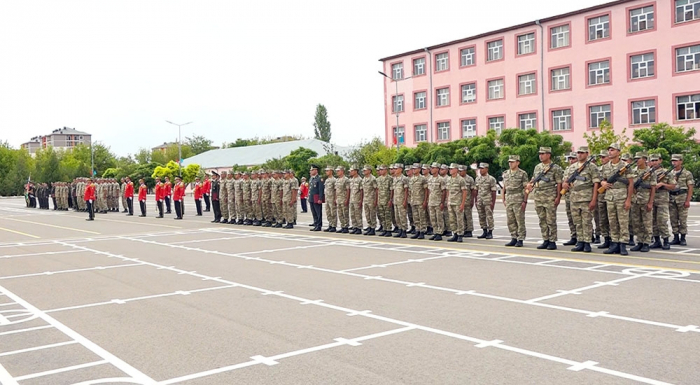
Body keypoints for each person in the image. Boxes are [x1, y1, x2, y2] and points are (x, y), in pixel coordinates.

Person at [563, 146, 599, 252]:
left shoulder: (592, 167)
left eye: (582, 153)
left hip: (586, 198)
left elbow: (596, 183)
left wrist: (594, 200)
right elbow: (566, 180)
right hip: (574, 198)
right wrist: (565, 184)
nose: (579, 155)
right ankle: (580, 242)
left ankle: (587, 242)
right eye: (578, 152)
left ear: (587, 154)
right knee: (577, 222)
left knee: (586, 222)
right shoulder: (572, 167)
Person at [600, 143, 634, 255]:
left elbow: (631, 184)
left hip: (622, 197)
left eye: (612, 150)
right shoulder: (605, 166)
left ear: (618, 152)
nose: (610, 152)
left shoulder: (625, 166)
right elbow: (602, 179)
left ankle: (623, 244)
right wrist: (603, 183)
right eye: (609, 150)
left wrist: (629, 199)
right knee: (612, 222)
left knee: (623, 222)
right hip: (610, 197)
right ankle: (614, 243)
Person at [527, 147, 563, 250]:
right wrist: (530, 184)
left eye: (543, 153)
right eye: (540, 153)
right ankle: (545, 239)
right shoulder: (537, 167)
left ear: (548, 155)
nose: (540, 155)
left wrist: (558, 197)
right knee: (542, 220)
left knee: (551, 220)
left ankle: (552, 241)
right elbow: (534, 179)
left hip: (550, 196)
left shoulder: (555, 168)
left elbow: (559, 183)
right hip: (538, 197)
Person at [629, 152, 656, 252]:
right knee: (636, 222)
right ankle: (639, 241)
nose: (637, 160)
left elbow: (653, 188)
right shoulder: (633, 171)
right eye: (635, 158)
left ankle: (646, 242)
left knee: (647, 222)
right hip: (635, 200)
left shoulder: (650, 172)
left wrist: (650, 202)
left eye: (639, 158)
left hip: (645, 199)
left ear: (645, 159)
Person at [502, 155, 529, 247]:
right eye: (509, 162)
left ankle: (520, 238)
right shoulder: (506, 173)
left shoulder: (522, 173)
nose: (510, 163)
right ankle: (513, 237)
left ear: (518, 162)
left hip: (518, 198)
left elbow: (526, 188)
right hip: (509, 198)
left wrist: (525, 201)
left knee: (519, 220)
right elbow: (504, 187)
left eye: (512, 162)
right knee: (510, 220)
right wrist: (503, 199)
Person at [649, 154, 675, 250]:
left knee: (662, 221)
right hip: (650, 198)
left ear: (660, 160)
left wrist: (662, 184)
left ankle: (666, 240)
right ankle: (656, 241)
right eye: (652, 160)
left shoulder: (666, 172)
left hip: (662, 198)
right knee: (652, 221)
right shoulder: (648, 172)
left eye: (656, 160)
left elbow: (673, 186)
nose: (654, 162)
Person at [669, 154, 694, 246]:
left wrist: (688, 200)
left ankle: (683, 238)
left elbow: (690, 187)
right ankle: (675, 237)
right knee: (673, 218)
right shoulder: (670, 173)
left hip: (682, 197)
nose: (674, 162)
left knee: (682, 219)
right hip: (672, 198)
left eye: (676, 161)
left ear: (681, 161)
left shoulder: (687, 173)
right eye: (673, 161)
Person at [446, 164, 468, 243]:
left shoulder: (460, 179)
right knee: (452, 219)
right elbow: (448, 191)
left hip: (458, 203)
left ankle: (460, 234)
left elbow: (464, 192)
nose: (450, 170)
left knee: (459, 219)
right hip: (450, 202)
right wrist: (448, 201)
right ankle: (454, 233)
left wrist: (462, 203)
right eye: (450, 169)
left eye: (452, 169)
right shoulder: (449, 179)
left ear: (456, 169)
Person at [475, 163, 497, 239]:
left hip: (488, 200)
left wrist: (493, 203)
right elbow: (476, 190)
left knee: (489, 216)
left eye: (482, 168)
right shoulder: (477, 179)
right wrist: (476, 200)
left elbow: (493, 192)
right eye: (480, 168)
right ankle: (484, 231)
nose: (480, 170)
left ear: (487, 169)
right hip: (480, 200)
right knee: (481, 216)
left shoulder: (491, 179)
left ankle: (490, 231)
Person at [562, 153, 578, 246]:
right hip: (568, 196)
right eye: (570, 159)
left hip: (577, 196)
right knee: (570, 217)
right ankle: (573, 236)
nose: (571, 160)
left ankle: (585, 236)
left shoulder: (580, 169)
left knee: (579, 218)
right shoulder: (567, 170)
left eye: (573, 158)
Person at [596, 151, 612, 249]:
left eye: (604, 157)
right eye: (601, 157)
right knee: (602, 219)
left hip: (611, 197)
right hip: (601, 197)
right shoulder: (598, 169)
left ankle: (613, 239)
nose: (602, 159)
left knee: (612, 219)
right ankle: (606, 238)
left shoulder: (612, 168)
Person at [409, 163, 428, 239]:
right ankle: (417, 230)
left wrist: (425, 201)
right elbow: (410, 191)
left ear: (419, 169)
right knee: (415, 217)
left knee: (422, 217)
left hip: (420, 200)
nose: (414, 170)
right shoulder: (412, 179)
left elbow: (426, 190)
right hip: (413, 201)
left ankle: (422, 232)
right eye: (413, 168)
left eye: (415, 168)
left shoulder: (422, 179)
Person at [391, 164, 409, 238]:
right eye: (394, 169)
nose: (395, 170)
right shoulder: (394, 179)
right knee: (397, 216)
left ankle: (404, 230)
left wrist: (405, 200)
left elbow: (406, 190)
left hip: (401, 200)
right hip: (396, 200)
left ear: (401, 169)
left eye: (396, 168)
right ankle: (400, 229)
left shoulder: (404, 178)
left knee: (402, 216)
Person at [376, 165, 393, 236]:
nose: (381, 171)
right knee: (382, 216)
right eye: (380, 170)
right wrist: (377, 200)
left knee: (387, 216)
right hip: (380, 200)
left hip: (387, 200)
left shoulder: (390, 178)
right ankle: (384, 229)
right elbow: (377, 190)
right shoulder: (378, 179)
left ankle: (389, 230)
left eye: (382, 169)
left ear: (386, 170)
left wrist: (390, 200)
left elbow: (391, 190)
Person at [362, 165, 378, 236]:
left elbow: (376, 190)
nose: (364, 171)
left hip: (371, 199)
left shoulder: (373, 179)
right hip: (366, 199)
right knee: (367, 215)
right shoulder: (364, 179)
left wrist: (375, 200)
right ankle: (369, 226)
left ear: (369, 171)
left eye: (365, 170)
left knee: (372, 215)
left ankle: (373, 228)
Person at [348, 165, 364, 234]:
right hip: (352, 200)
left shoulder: (360, 180)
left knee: (358, 214)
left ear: (356, 171)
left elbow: (361, 191)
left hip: (357, 200)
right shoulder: (351, 180)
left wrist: (361, 200)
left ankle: (359, 228)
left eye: (352, 171)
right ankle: (354, 227)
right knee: (352, 214)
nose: (350, 172)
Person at [308, 165, 324, 231]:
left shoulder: (319, 178)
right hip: (312, 198)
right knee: (314, 212)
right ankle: (315, 223)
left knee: (318, 212)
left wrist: (320, 198)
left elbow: (321, 189)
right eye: (311, 170)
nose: (311, 171)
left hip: (316, 198)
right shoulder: (311, 178)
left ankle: (319, 225)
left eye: (312, 170)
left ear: (316, 170)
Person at [323, 166, 337, 232]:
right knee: (328, 212)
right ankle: (330, 224)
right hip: (327, 198)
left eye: (327, 171)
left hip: (332, 198)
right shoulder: (327, 180)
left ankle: (334, 226)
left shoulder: (334, 180)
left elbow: (335, 190)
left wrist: (335, 199)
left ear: (331, 171)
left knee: (333, 213)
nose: (326, 172)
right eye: (326, 171)